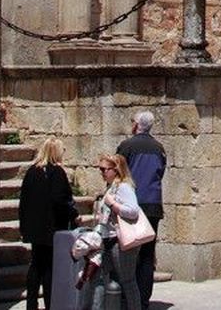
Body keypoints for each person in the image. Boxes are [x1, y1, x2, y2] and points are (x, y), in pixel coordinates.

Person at [18, 137, 77, 310]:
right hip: (51, 226)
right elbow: (60, 199)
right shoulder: (57, 172)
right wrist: (73, 214)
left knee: (36, 264)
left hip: (34, 226)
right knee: (49, 266)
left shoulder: (31, 172)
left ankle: (31, 303)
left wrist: (24, 225)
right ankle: (50, 303)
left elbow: (24, 200)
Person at [117, 110, 167, 308]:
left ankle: (128, 298)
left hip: (132, 205)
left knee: (127, 251)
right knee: (147, 254)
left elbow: (118, 172)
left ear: (136, 124)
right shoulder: (159, 148)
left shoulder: (126, 146)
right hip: (153, 205)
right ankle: (143, 299)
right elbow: (160, 171)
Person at [84, 153, 144, 310]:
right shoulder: (111, 188)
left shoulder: (124, 188)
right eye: (100, 169)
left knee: (128, 281)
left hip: (120, 241)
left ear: (116, 170)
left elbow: (133, 211)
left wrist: (113, 205)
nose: (102, 173)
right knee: (100, 277)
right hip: (107, 239)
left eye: (105, 169)